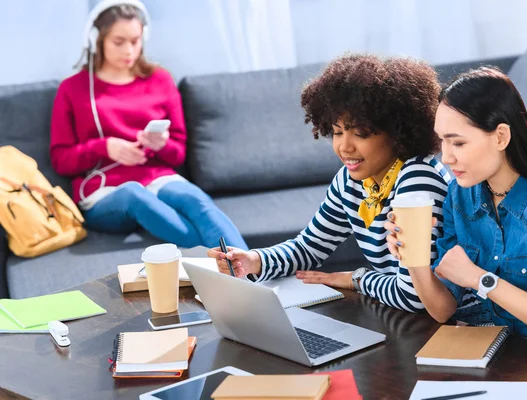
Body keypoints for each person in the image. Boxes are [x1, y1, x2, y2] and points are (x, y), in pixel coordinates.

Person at [208, 54, 451, 312]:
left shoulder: (417, 181)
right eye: (337, 132)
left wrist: (356, 279)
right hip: (400, 314)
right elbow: (309, 248)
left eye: (361, 133)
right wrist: (253, 260)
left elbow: (414, 297)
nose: (344, 147)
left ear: (397, 133)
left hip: (448, 326)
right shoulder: (352, 181)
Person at [385, 66, 527, 354]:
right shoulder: (459, 196)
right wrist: (414, 257)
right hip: (497, 350)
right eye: (442, 142)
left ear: (500, 137)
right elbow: (442, 309)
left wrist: (479, 279)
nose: (446, 157)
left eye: (458, 142)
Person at [50, 0, 247, 250]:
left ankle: (252, 274)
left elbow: (178, 153)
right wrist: (104, 147)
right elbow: (60, 159)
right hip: (104, 191)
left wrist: (161, 145)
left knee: (194, 199)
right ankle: (218, 266)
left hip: (157, 178)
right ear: (96, 40)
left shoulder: (160, 80)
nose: (129, 50)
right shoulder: (73, 89)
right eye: (119, 42)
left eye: (135, 40)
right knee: (135, 194)